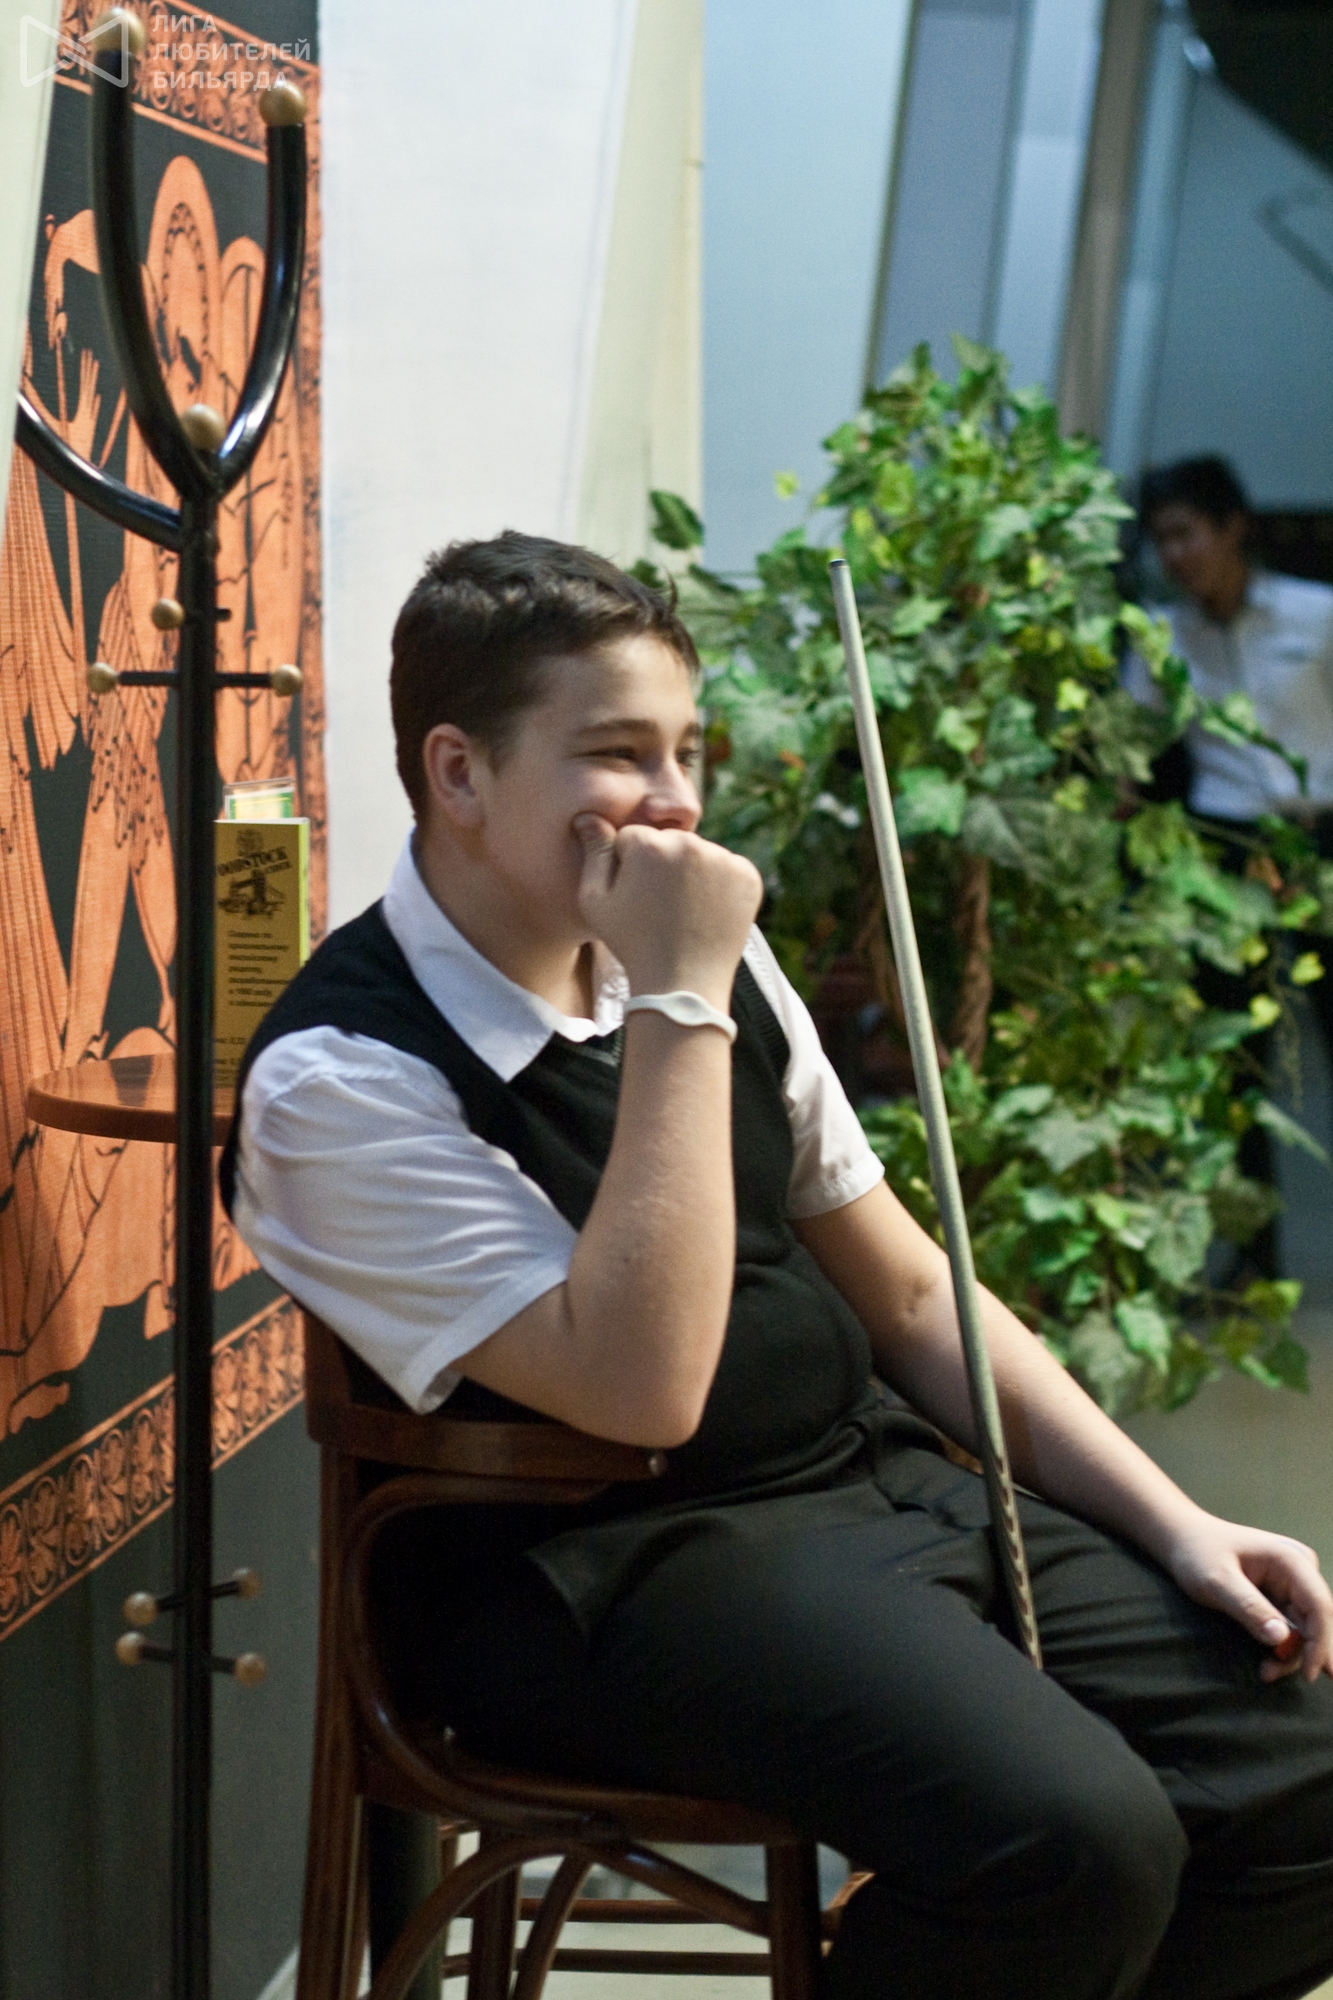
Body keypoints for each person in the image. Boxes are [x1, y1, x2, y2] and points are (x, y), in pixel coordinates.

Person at [225, 533, 1333, 2000]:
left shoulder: (705, 960)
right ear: (458, 773)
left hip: (866, 1485)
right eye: (618, 752)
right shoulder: (338, 1077)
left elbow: (914, 1295)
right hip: (594, 1573)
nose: (677, 799)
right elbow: (643, 1387)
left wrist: (1176, 1519)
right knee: (1073, 1841)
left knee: (1306, 1771)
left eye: (687, 749)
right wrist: (680, 996)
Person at [1127, 455, 1333, 1276]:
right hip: (1221, 852)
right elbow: (1129, 753)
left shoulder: (1315, 613)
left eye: (1186, 533)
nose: (1175, 554)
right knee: (1234, 1058)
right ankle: (1253, 1260)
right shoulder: (1161, 635)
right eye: (1161, 540)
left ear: (1230, 527)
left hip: (1318, 841)